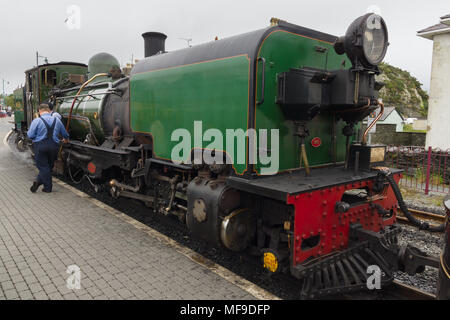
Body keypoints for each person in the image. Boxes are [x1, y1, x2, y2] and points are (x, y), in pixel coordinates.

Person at [27, 104, 69, 193]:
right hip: (54, 146)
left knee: (43, 167)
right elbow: (65, 134)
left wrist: (36, 137)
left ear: (39, 111)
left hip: (40, 146)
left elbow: (30, 135)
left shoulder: (37, 121)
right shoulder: (57, 120)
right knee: (49, 166)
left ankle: (47, 188)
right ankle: (38, 182)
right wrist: (65, 139)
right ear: (49, 110)